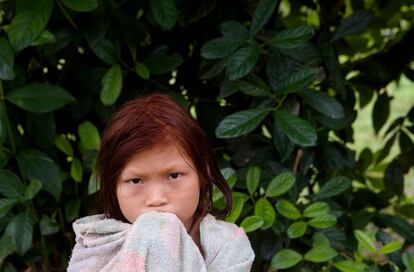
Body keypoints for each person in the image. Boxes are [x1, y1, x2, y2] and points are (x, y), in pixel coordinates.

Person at [67, 93, 255, 271]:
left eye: (174, 176)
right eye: (136, 180)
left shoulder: (228, 244)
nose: (156, 199)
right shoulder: (98, 244)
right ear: (113, 185)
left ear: (202, 174)